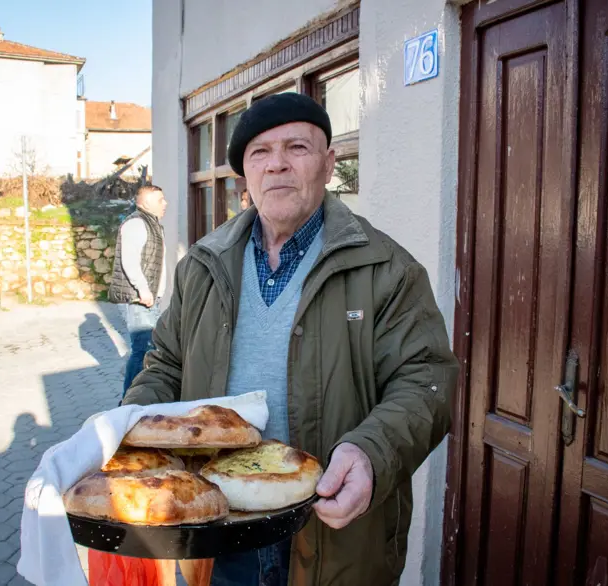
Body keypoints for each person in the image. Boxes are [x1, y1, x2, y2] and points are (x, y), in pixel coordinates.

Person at [123, 93, 459, 586]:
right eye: (260, 152)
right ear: (245, 177)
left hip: (333, 532)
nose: (277, 164)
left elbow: (425, 379)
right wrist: (123, 439)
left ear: (328, 165)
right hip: (216, 526)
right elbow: (165, 366)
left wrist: (369, 451)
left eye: (297, 148)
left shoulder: (388, 269)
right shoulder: (201, 266)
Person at [108, 185, 169, 401]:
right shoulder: (136, 224)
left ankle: (140, 399)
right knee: (142, 349)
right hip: (139, 299)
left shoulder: (152, 223)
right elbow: (130, 261)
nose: (165, 204)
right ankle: (129, 402)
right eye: (160, 200)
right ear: (145, 203)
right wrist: (143, 290)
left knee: (148, 348)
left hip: (148, 298)